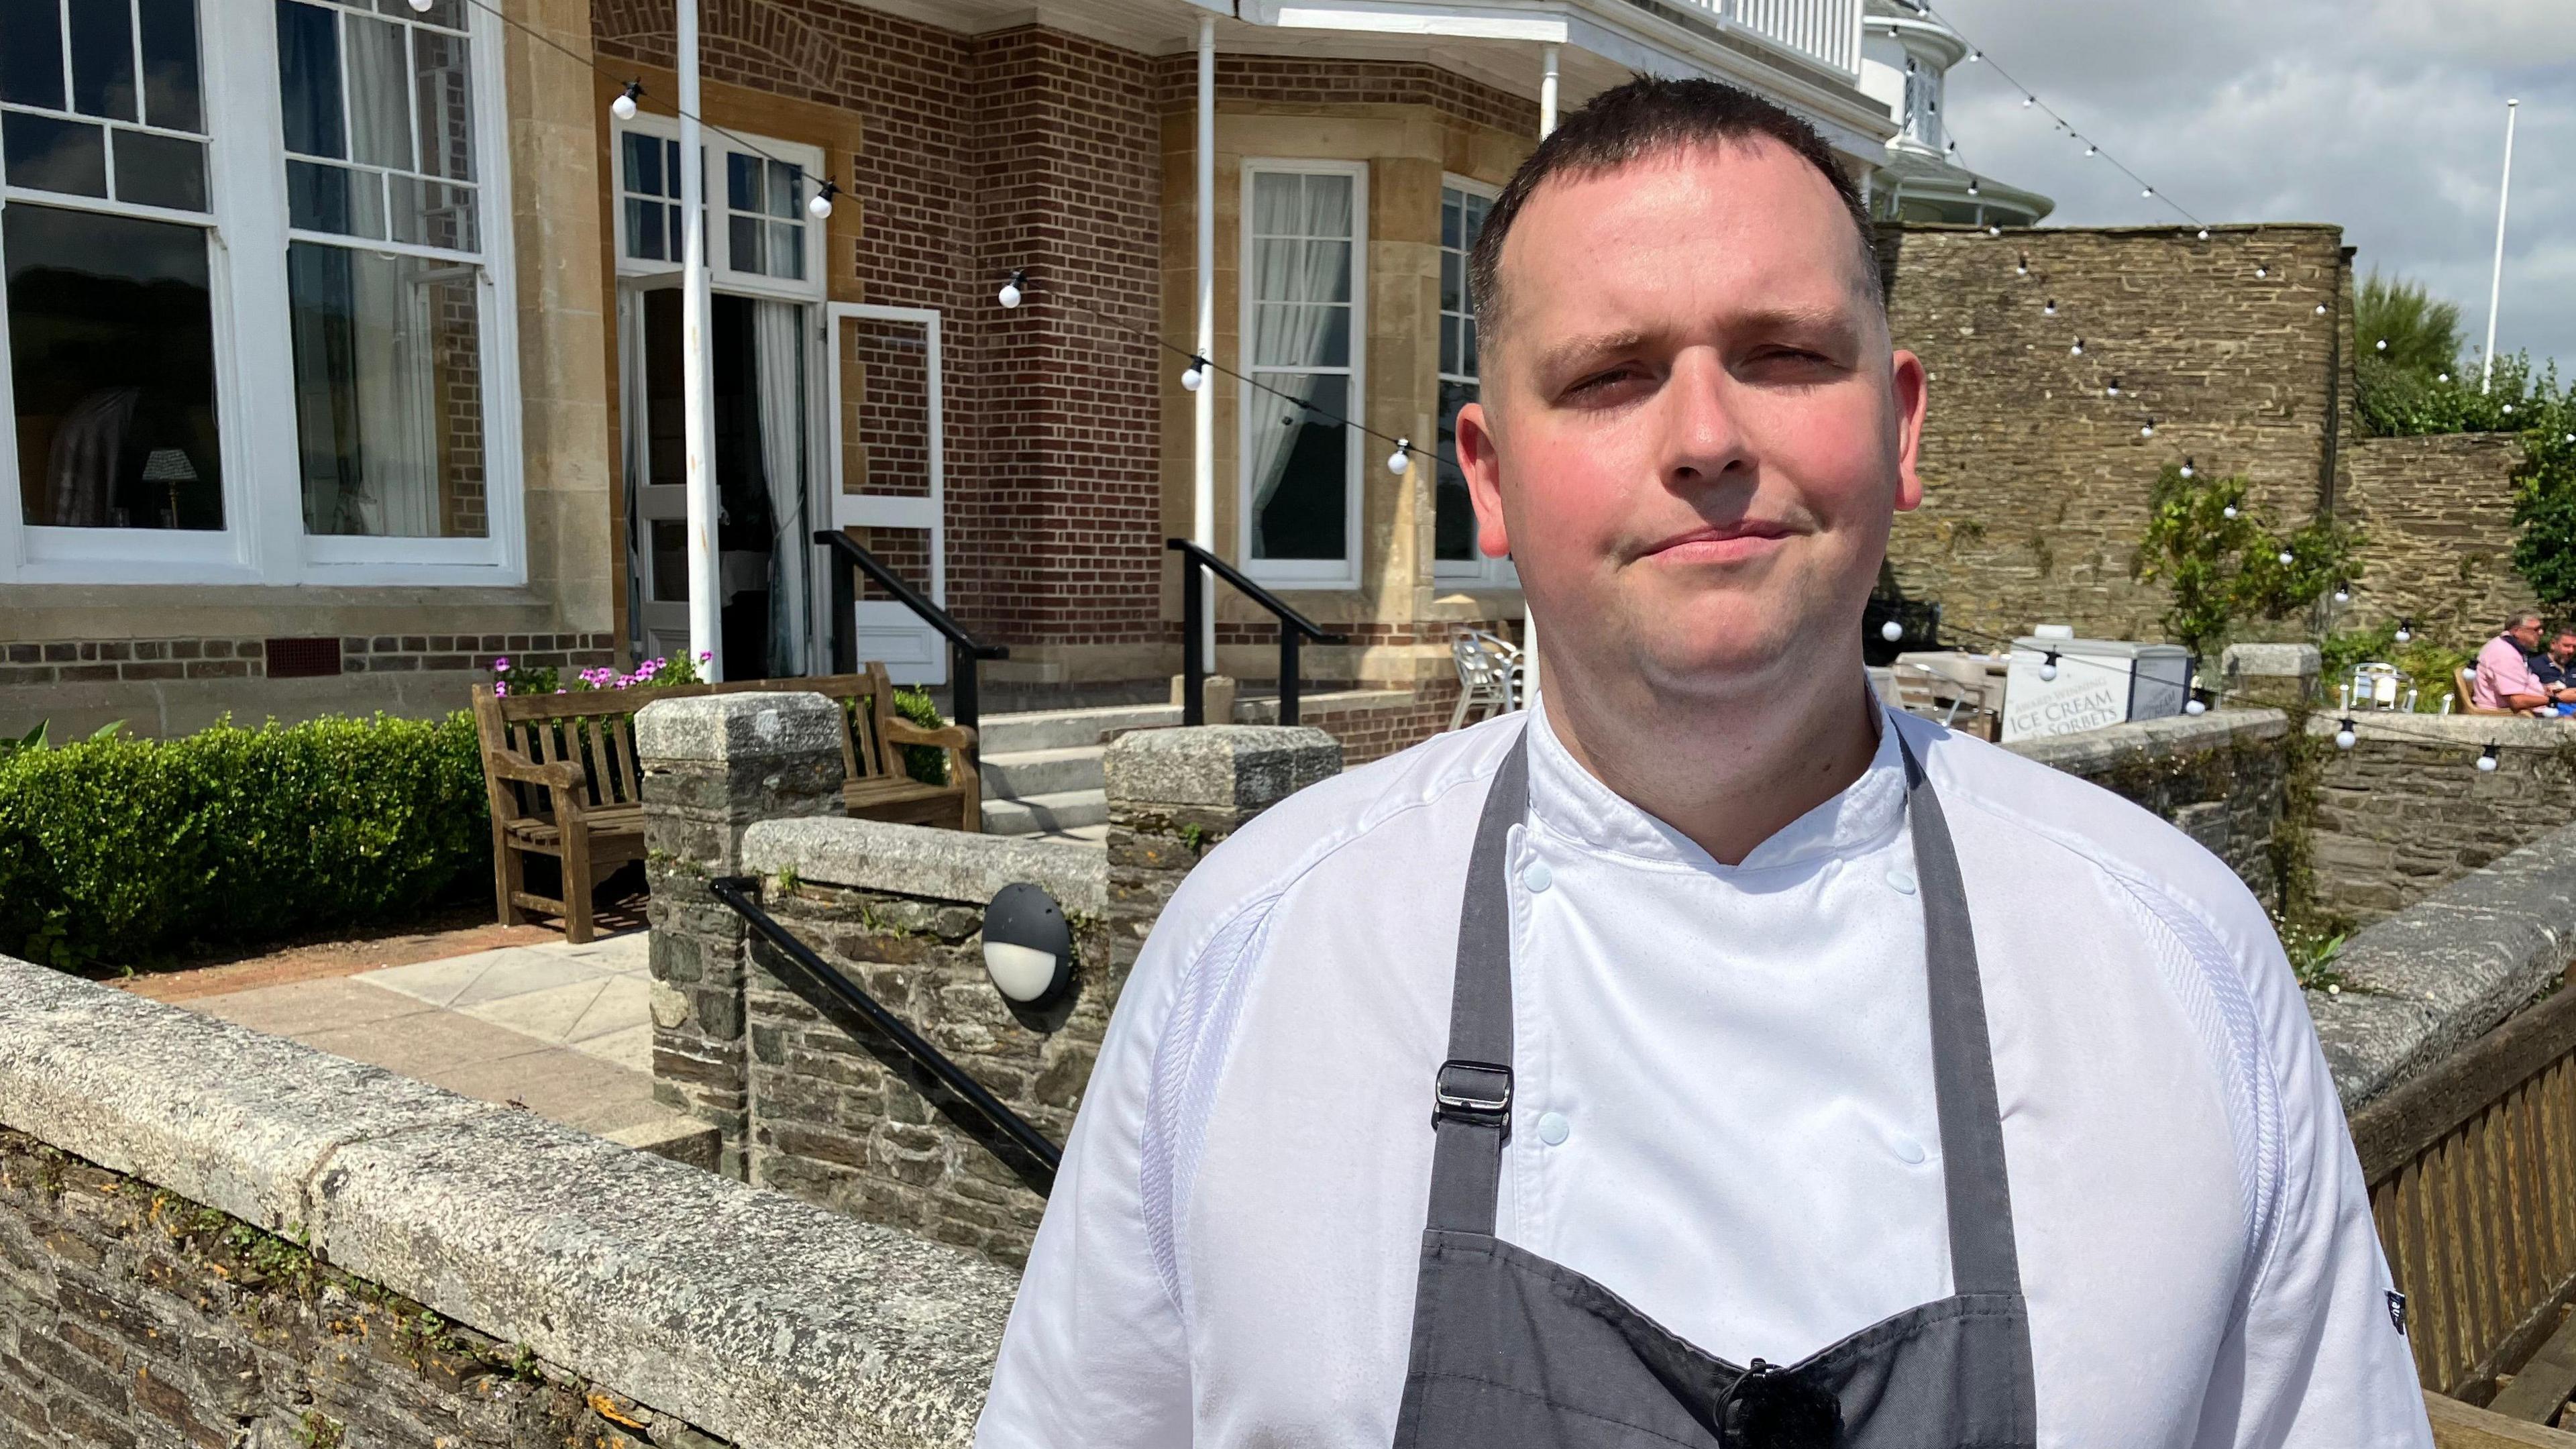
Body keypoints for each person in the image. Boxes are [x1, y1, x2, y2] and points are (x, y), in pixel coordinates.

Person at [977, 78, 2428, 1448]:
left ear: (1901, 425)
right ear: (1488, 478)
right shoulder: (1255, 950)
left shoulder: (2178, 964)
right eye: (1610, 376)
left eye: (1783, 355)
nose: (1707, 437)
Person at [2473, 611, 2559, 713]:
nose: (2541, 632)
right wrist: (2557, 699)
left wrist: (2545, 689)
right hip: (2510, 718)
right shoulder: (2504, 654)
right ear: (2517, 631)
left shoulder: (2509, 647)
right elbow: (2516, 701)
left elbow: (2520, 685)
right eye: (2536, 629)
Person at [2528, 628, 2576, 708]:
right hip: (2546, 716)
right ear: (2553, 644)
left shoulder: (2574, 667)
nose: (2571, 651)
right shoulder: (2535, 665)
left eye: (2574, 647)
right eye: (2566, 646)